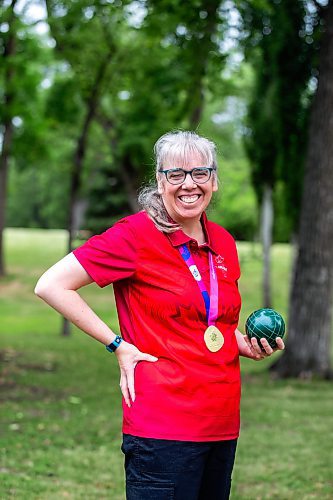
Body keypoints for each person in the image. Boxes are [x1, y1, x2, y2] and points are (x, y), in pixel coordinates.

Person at [35, 130, 284, 500]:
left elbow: (209, 323)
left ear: (213, 180)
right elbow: (51, 284)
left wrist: (243, 344)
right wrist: (117, 344)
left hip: (221, 422)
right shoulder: (134, 236)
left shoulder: (223, 243)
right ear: (160, 180)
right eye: (176, 174)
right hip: (162, 426)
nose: (189, 184)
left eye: (200, 173)